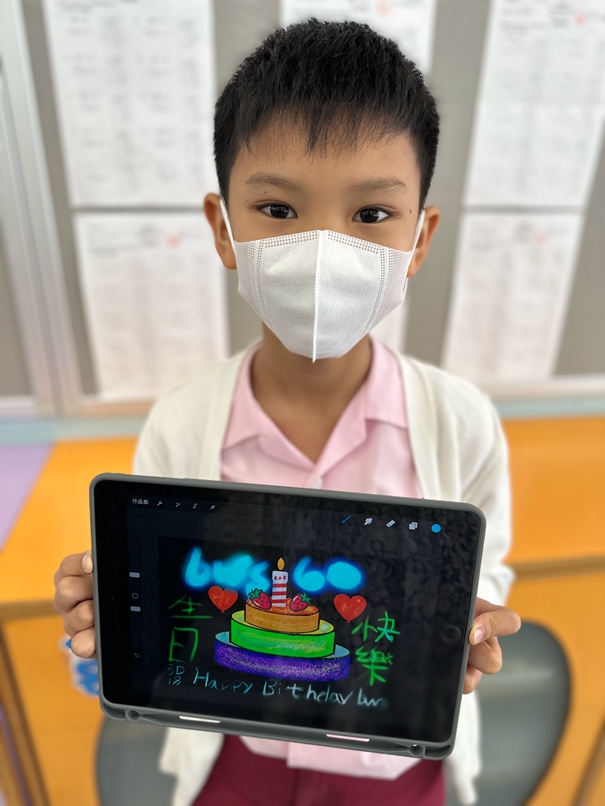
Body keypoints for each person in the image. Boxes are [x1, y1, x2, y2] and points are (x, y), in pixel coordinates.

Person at [54, 19, 521, 806]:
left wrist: (467, 621)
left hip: (392, 761)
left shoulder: (461, 422)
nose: (322, 254)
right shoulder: (180, 424)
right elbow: (170, 601)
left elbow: (488, 562)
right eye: (277, 208)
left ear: (418, 238)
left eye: (370, 215)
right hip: (238, 753)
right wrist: (114, 624)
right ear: (223, 229)